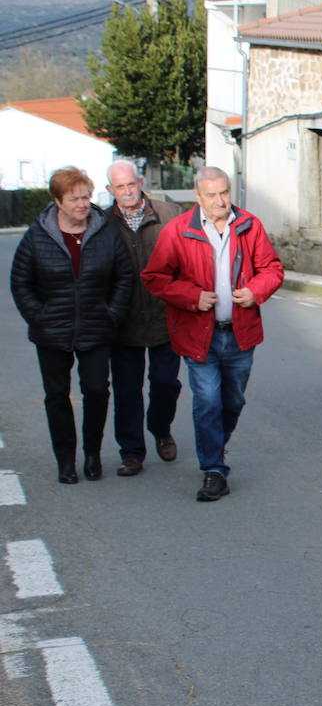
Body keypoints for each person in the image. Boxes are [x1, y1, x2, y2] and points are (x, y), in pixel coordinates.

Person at [141, 167, 285, 502]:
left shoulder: (249, 225)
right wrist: (191, 296)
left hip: (239, 332)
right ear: (198, 196)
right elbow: (155, 277)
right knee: (207, 401)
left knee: (232, 399)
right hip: (197, 333)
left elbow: (272, 269)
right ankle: (214, 469)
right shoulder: (178, 231)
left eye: (224, 192)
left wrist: (255, 291)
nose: (220, 200)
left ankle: (215, 445)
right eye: (211, 194)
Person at [11, 167, 133, 483]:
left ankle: (92, 454)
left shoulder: (105, 232)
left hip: (97, 327)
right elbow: (21, 282)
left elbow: (124, 276)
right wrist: (40, 316)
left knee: (96, 390)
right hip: (52, 332)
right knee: (57, 395)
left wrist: (112, 313)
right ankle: (65, 459)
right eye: (74, 198)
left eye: (86, 197)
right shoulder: (37, 236)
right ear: (57, 200)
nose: (82, 204)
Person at [105, 159, 184, 476]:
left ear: (140, 182)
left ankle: (161, 428)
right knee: (127, 390)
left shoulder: (169, 215)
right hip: (123, 322)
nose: (127, 191)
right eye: (119, 187)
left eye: (131, 184)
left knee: (166, 384)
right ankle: (132, 452)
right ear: (111, 190)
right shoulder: (103, 222)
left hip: (165, 316)